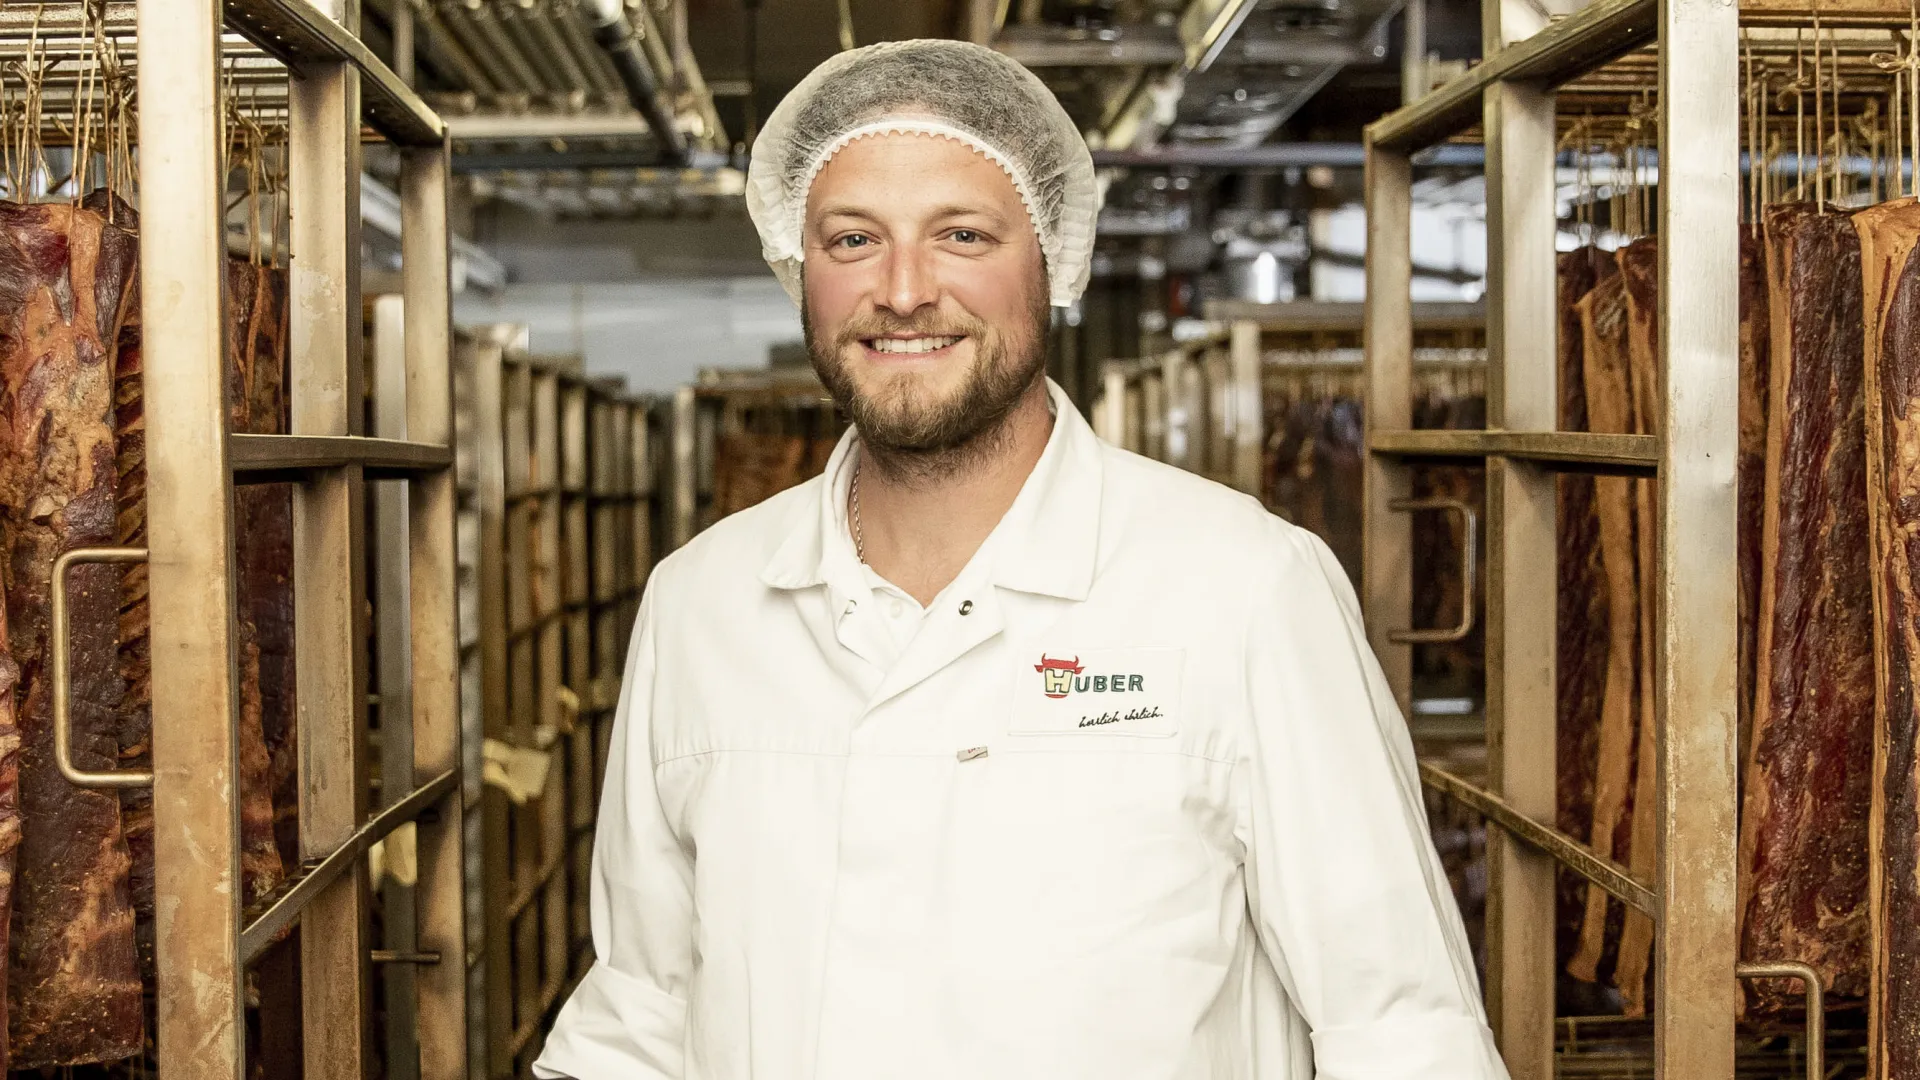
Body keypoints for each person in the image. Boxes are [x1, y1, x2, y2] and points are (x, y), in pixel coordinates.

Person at [535, 39, 1508, 1080]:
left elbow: (1401, 1031)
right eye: (853, 238)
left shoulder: (1246, 588)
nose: (903, 290)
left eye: (962, 234)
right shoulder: (701, 602)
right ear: (796, 268)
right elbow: (642, 1011)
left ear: (1053, 260)